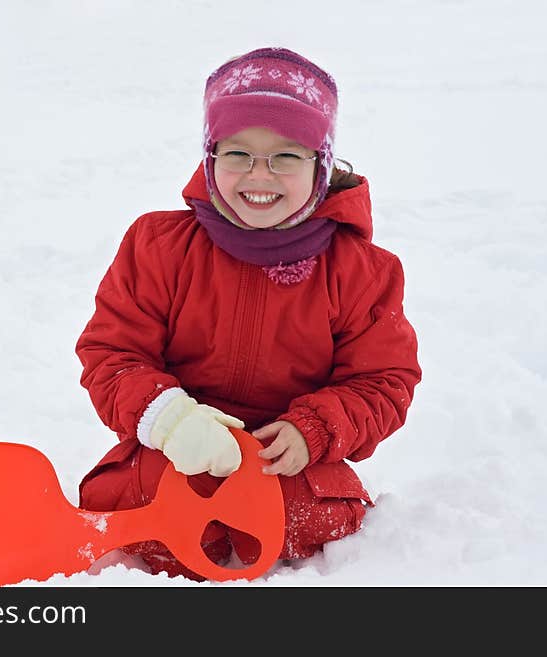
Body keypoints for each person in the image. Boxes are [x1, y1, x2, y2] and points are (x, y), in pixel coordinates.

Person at [75, 46, 422, 580]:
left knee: (311, 519)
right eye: (238, 153)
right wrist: (168, 420)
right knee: (133, 508)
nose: (259, 176)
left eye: (286, 156)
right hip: (173, 451)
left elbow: (383, 380)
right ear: (211, 158)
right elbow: (112, 352)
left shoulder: (362, 271)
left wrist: (314, 431)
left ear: (322, 165)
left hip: (287, 463)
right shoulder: (157, 246)